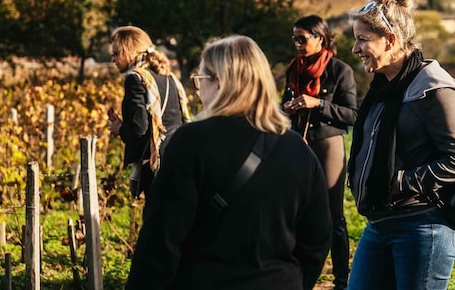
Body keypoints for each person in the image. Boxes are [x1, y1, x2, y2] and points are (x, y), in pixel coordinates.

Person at [126, 35, 332, 290]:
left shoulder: (191, 142)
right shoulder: (298, 150)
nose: (198, 90)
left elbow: (161, 240)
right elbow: (317, 240)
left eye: (200, 80)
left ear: (220, 83)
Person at [347, 0, 455, 290]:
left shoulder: (434, 89)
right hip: (379, 223)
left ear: (390, 40)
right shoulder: (383, 87)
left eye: (363, 40)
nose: (355, 49)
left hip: (422, 224)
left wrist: (401, 181)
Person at [282, 15, 358, 290]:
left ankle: (341, 280)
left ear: (320, 38)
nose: (298, 45)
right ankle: (298, 276)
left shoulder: (339, 71)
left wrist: (318, 104)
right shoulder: (293, 69)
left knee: (332, 215)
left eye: (303, 39)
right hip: (295, 144)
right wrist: (287, 108)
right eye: (295, 39)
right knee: (296, 212)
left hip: (327, 145)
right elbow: (282, 107)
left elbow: (352, 114)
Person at [108, 25, 192, 198]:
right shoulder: (168, 77)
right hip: (176, 155)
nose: (113, 59)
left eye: (116, 53)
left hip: (154, 162)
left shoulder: (135, 78)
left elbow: (140, 127)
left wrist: (120, 129)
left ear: (129, 52)